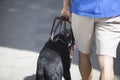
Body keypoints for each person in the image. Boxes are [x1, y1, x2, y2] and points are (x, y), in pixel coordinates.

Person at [60, 0, 120, 80]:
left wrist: (66, 6)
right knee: (107, 61)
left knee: (84, 54)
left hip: (82, 9)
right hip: (111, 9)